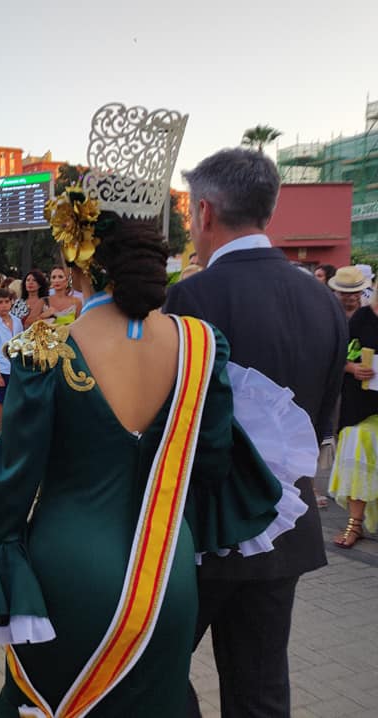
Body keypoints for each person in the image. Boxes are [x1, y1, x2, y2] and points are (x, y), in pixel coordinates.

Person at [0, 171, 299, 717]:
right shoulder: (199, 344)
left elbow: (12, 480)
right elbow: (210, 468)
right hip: (164, 571)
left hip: (63, 569)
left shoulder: (45, 346)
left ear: (75, 262)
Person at [163, 147, 347, 717]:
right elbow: (319, 419)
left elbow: (169, 420)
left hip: (204, 528)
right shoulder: (325, 300)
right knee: (262, 688)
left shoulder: (190, 298)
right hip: (285, 525)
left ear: (206, 213)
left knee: (157, 669)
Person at [328, 287, 378, 548]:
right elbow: (336, 354)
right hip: (361, 403)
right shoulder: (362, 318)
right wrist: (353, 367)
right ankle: (354, 524)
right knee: (357, 448)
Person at [0, 288, 23, 441]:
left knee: (16, 398)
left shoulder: (17, 321)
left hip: (16, 367)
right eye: (0, 302)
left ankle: (13, 427)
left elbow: (20, 343)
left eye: (7, 302)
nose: (4, 305)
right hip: (2, 367)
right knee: (2, 399)